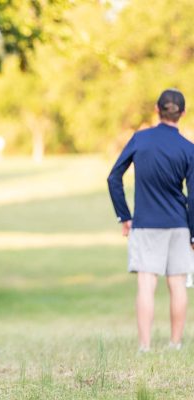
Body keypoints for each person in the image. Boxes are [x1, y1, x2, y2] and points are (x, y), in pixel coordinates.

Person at [108, 88, 194, 352]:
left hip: (145, 224)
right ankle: (175, 344)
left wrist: (125, 216)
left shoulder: (140, 139)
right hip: (179, 225)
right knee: (178, 284)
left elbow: (114, 177)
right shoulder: (189, 149)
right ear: (182, 113)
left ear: (157, 110)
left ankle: (144, 347)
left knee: (146, 285)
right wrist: (192, 233)